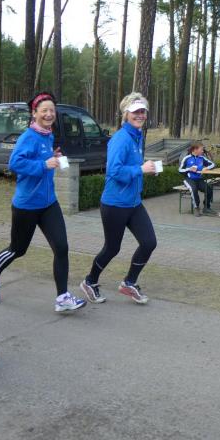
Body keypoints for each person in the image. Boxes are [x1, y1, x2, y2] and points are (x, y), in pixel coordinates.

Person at [0, 91, 86, 313]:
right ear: (34, 113)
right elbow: (15, 164)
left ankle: (62, 297)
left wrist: (53, 157)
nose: (49, 114)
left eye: (52, 110)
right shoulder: (28, 137)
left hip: (48, 203)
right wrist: (43, 165)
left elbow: (40, 157)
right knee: (17, 249)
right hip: (27, 205)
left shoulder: (47, 135)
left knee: (61, 247)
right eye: (44, 110)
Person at [79, 92, 158, 305]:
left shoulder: (137, 136)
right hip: (115, 204)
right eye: (135, 112)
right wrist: (140, 169)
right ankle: (89, 281)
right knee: (112, 248)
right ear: (126, 114)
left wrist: (146, 169)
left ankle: (129, 283)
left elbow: (132, 167)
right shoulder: (120, 139)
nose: (140, 115)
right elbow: (113, 171)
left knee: (149, 242)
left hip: (133, 202)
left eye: (143, 111)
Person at [179, 142, 216, 217]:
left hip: (199, 179)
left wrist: (206, 168)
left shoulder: (202, 158)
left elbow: (213, 164)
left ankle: (206, 207)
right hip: (189, 179)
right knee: (194, 189)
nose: (202, 151)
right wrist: (189, 169)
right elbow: (180, 170)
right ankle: (196, 208)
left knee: (209, 189)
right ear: (195, 150)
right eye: (201, 149)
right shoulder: (187, 158)